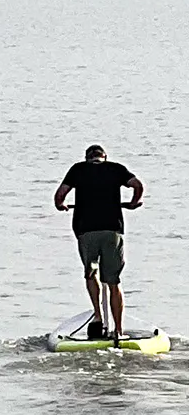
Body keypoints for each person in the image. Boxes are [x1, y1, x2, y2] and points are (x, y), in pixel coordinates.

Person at [54, 145, 144, 339]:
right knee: (113, 281)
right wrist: (134, 202)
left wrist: (61, 206)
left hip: (86, 231)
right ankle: (118, 330)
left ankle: (98, 316)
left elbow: (60, 195)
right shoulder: (116, 168)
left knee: (91, 272)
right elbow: (137, 185)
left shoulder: (77, 170)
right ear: (105, 157)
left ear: (87, 158)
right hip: (112, 230)